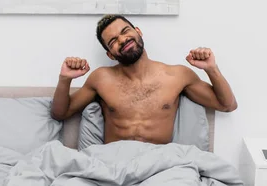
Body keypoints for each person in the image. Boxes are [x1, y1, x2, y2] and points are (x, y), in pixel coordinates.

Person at [51, 14, 237, 145]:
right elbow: (60, 113)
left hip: (159, 164)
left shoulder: (177, 75)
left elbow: (227, 105)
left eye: (125, 31)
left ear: (138, 31)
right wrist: (64, 79)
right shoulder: (101, 78)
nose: (122, 40)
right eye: (113, 40)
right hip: (113, 164)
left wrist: (212, 69)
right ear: (110, 54)